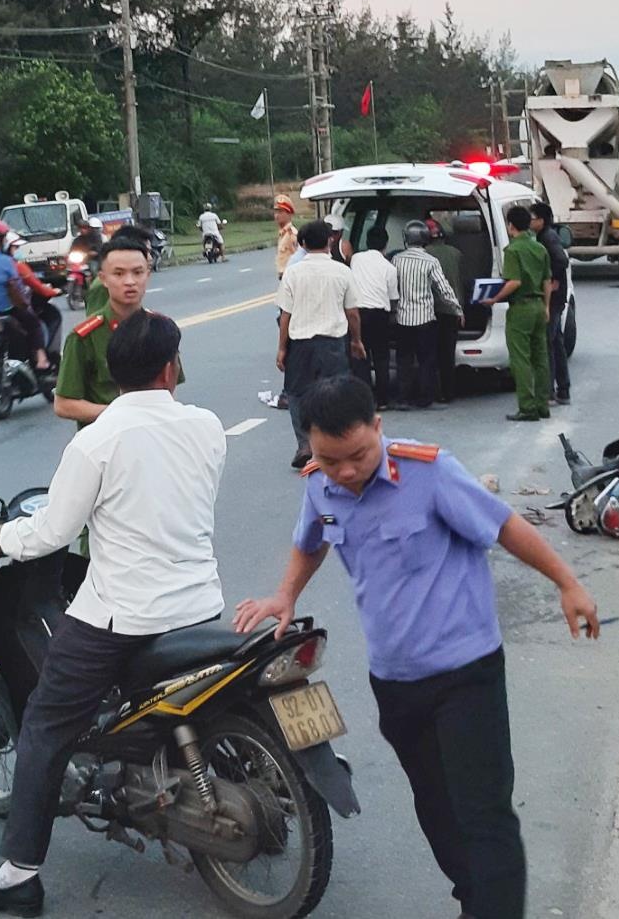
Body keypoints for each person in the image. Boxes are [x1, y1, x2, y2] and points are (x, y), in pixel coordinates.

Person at [232, 374, 600, 919]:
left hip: (465, 674)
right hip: (396, 681)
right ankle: (475, 900)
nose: (348, 471)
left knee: (484, 814)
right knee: (436, 808)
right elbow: (311, 540)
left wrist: (567, 583)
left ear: (378, 427)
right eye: (331, 459)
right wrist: (284, 595)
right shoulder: (320, 484)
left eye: (358, 454)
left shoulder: (430, 473)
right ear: (312, 448)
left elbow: (503, 526)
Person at [0, 312, 227, 918]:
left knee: (46, 726)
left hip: (122, 618)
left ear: (112, 375)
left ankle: (18, 873)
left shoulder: (98, 440)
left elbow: (50, 532)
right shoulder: (208, 427)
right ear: (170, 367)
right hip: (201, 607)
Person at [277, 220, 364, 469]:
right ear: (330, 241)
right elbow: (353, 313)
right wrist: (356, 341)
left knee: (296, 393)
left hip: (301, 343)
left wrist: (282, 348)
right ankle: (338, 442)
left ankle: (305, 443)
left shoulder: (293, 273)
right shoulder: (342, 271)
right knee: (336, 393)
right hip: (333, 342)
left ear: (302, 244)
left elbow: (286, 315)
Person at [54, 234, 155, 429]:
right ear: (103, 279)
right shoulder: (84, 337)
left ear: (147, 275)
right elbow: (64, 404)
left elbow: (169, 394)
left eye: (137, 272)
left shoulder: (159, 329)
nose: (129, 281)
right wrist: (120, 414)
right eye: (118, 274)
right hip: (103, 443)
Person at [485, 205, 552, 422]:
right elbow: (547, 282)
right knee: (540, 358)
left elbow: (515, 282)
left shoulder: (513, 251)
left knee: (520, 360)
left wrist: (494, 299)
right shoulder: (539, 248)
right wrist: (547, 307)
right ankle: (543, 405)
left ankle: (527, 407)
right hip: (539, 305)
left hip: (521, 308)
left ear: (511, 226)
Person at [391, 221, 463, 411]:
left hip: (403, 319)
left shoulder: (397, 259)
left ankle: (403, 398)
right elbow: (444, 289)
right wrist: (457, 309)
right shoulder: (431, 261)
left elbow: (391, 287)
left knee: (404, 360)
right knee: (426, 360)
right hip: (425, 319)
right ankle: (425, 398)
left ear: (406, 239)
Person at [0, 220, 50, 374]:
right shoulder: (6, 262)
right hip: (5, 311)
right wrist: (26, 301)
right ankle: (41, 359)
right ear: (1, 241)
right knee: (34, 324)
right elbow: (17, 289)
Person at [349, 231, 399, 409]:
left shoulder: (356, 259)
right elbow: (394, 297)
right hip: (379, 315)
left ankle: (365, 400)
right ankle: (383, 400)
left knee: (360, 358)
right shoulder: (389, 268)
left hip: (358, 313)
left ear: (367, 242)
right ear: (385, 245)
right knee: (381, 357)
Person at [531, 202, 572, 405]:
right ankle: (563, 390)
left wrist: (553, 281)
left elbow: (561, 261)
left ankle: (548, 392)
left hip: (553, 300)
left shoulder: (548, 237)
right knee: (556, 343)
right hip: (556, 298)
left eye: (532, 218)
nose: (530, 221)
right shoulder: (545, 236)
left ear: (541, 220)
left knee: (547, 343)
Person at [425, 221, 467, 404]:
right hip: (452, 309)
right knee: (447, 353)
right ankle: (449, 392)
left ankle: (433, 392)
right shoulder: (456, 253)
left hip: (430, 310)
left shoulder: (425, 255)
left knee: (430, 352)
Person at [4, 231, 63, 359]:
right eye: (16, 247)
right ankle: (41, 359)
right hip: (11, 308)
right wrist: (55, 291)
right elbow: (37, 287)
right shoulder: (16, 266)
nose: (18, 250)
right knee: (35, 324)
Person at [272, 195, 298, 278]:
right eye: (276, 212)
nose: (277, 215)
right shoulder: (283, 234)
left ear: (289, 214)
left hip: (291, 276)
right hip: (285, 277)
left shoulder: (292, 234)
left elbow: (298, 256)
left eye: (280, 212)